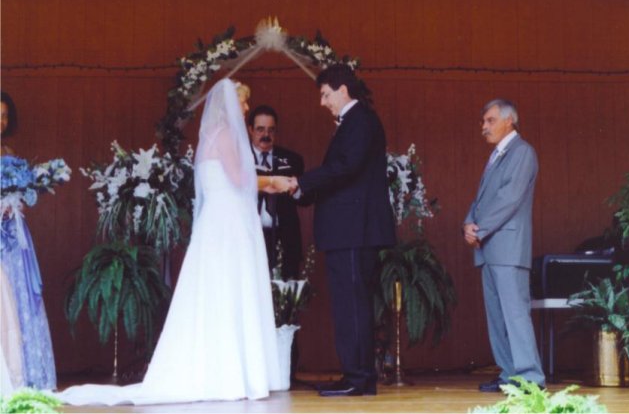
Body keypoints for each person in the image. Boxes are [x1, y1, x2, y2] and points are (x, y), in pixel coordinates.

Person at [59, 79, 284, 405]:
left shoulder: (208, 135)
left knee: (216, 290)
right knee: (232, 287)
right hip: (230, 224)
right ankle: (235, 372)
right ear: (230, 104)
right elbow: (240, 179)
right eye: (244, 102)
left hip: (215, 224)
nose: (247, 108)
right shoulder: (225, 135)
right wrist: (273, 181)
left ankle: (226, 367)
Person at [285, 64, 396, 397]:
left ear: (343, 90)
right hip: (349, 231)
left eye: (325, 94)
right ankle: (356, 375)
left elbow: (345, 168)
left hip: (354, 231)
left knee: (353, 305)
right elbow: (343, 172)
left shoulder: (360, 120)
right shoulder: (355, 122)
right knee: (350, 304)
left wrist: (300, 182)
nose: (322, 102)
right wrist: (302, 191)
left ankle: (359, 379)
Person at [462, 99, 545, 392]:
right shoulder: (497, 155)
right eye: (483, 122)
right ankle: (510, 375)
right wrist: (468, 223)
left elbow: (509, 198)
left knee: (515, 314)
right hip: (489, 248)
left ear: (510, 120)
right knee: (498, 318)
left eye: (490, 120)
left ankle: (531, 379)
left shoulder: (522, 152)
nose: (484, 127)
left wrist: (480, 228)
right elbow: (481, 199)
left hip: (508, 249)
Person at [0, 91, 57, 391]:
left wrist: (18, 200)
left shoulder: (9, 151)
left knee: (22, 299)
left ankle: (29, 372)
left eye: (5, 116)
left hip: (14, 236)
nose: (1, 121)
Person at [248, 104, 306, 278]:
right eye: (260, 130)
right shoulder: (239, 159)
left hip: (285, 237)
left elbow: (305, 199)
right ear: (250, 130)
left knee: (286, 294)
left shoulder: (292, 159)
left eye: (271, 130)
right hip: (250, 236)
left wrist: (294, 189)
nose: (266, 135)